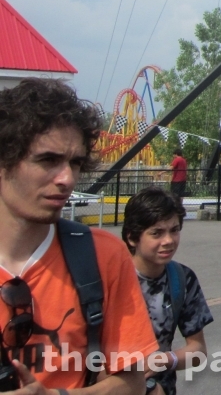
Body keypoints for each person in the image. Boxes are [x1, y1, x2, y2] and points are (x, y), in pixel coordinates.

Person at [0, 78, 159, 393]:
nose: (67, 179)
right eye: (48, 160)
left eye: (75, 163)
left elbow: (132, 381)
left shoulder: (102, 256)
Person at [122, 187, 214, 395]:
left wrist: (164, 360)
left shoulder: (182, 279)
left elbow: (197, 350)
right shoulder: (111, 279)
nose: (169, 241)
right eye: (156, 233)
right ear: (132, 238)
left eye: (174, 230)